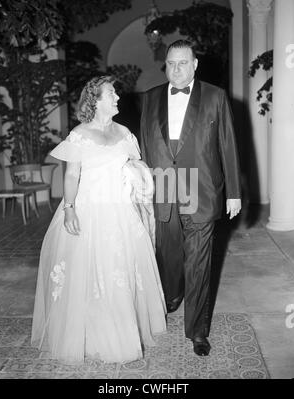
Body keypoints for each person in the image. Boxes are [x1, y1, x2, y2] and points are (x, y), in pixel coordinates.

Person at [31, 76, 166, 364]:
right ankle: (90, 332)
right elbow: (71, 175)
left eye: (115, 92)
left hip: (120, 212)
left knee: (119, 271)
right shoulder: (80, 134)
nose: (118, 97)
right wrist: (69, 208)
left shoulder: (124, 133)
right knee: (89, 272)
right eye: (112, 93)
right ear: (96, 100)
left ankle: (119, 329)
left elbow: (136, 166)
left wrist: (137, 180)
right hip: (88, 209)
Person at [140, 40, 242, 356]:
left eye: (183, 63)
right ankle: (173, 292)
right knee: (168, 254)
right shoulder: (151, 97)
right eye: (171, 63)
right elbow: (146, 145)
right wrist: (143, 185)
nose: (176, 69)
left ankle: (197, 330)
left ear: (195, 64)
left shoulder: (215, 96)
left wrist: (234, 193)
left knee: (198, 260)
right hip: (164, 186)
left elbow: (227, 145)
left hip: (201, 189)